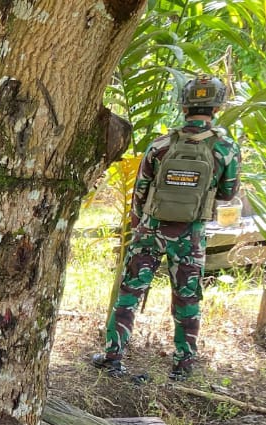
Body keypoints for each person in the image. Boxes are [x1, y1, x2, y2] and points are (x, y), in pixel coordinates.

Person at [93, 74, 241, 381]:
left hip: (151, 231)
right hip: (191, 236)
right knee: (187, 300)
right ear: (216, 107)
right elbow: (228, 193)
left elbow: (141, 193)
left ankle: (113, 358)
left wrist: (139, 228)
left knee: (129, 295)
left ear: (184, 105)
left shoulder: (160, 145)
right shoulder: (225, 149)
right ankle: (182, 366)